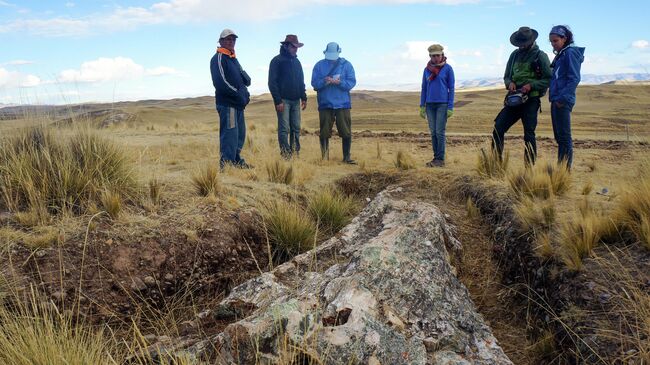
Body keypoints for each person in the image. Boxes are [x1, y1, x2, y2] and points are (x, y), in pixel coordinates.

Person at [492, 26, 552, 166]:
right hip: (513, 98)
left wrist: (531, 86)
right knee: (498, 127)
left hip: (531, 100)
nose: (521, 46)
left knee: (529, 134)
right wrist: (510, 83)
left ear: (531, 41)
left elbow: (549, 79)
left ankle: (529, 167)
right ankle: (495, 163)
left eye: (524, 43)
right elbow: (507, 76)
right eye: (520, 43)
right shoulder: (514, 55)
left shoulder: (540, 56)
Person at [210, 28, 252, 169]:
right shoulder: (218, 58)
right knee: (230, 134)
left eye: (233, 39)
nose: (231, 42)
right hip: (228, 104)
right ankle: (226, 165)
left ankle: (235, 160)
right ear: (221, 41)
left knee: (240, 134)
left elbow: (242, 79)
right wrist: (239, 95)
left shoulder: (233, 58)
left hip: (238, 104)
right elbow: (220, 83)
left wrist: (245, 93)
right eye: (228, 39)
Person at [311, 42, 357, 164]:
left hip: (343, 104)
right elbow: (314, 84)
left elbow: (351, 82)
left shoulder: (347, 65)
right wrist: (325, 82)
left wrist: (339, 83)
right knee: (324, 132)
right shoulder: (319, 66)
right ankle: (325, 158)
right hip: (325, 104)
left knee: (346, 131)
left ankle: (346, 157)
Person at [549, 25, 584, 169]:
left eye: (555, 41)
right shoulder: (562, 54)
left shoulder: (570, 53)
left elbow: (574, 79)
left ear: (565, 38)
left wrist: (561, 99)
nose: (553, 44)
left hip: (562, 101)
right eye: (551, 42)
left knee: (564, 137)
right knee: (560, 137)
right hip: (557, 99)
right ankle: (561, 168)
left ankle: (564, 171)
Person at [268, 34, 308, 159]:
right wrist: (278, 100)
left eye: (297, 47)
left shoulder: (297, 62)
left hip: (296, 100)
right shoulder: (277, 61)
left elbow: (301, 81)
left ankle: (295, 153)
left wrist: (304, 97)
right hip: (283, 101)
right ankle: (286, 154)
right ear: (286, 46)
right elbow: (272, 82)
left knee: (296, 127)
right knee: (284, 128)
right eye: (293, 46)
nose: (296, 49)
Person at [419, 44, 455, 167]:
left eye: (438, 55)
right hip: (429, 105)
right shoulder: (426, 69)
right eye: (433, 56)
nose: (436, 58)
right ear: (430, 56)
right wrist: (422, 105)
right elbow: (424, 88)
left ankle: (440, 159)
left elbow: (451, 88)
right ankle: (436, 158)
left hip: (442, 104)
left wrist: (450, 107)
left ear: (442, 55)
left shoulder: (448, 69)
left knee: (440, 132)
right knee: (433, 132)